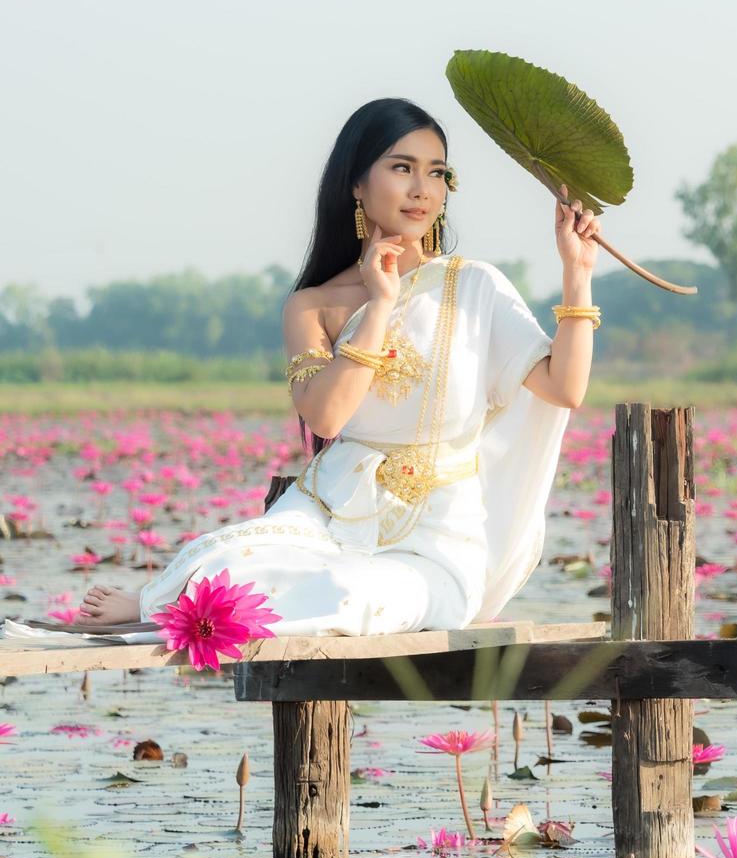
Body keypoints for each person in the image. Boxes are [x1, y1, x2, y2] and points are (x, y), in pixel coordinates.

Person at [72, 97, 601, 635]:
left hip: (438, 544)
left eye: (437, 173)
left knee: (353, 596)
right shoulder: (312, 305)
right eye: (402, 168)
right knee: (219, 565)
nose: (422, 189)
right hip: (330, 512)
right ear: (356, 183)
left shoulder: (475, 286)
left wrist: (576, 272)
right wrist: (380, 304)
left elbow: (565, 388)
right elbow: (326, 419)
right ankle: (160, 602)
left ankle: (168, 607)